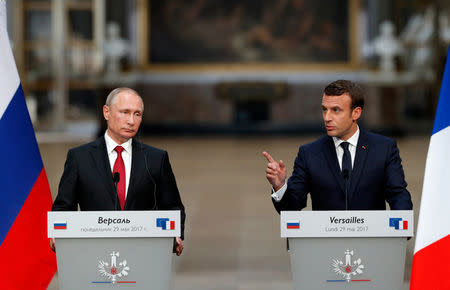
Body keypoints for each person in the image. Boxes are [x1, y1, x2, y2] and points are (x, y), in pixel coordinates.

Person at [51, 87, 186, 255]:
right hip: (93, 253)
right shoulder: (79, 158)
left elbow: (173, 206)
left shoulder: (155, 158)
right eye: (125, 112)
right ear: (106, 112)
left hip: (143, 253)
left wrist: (176, 235)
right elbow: (63, 207)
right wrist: (59, 234)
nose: (131, 121)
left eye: (137, 114)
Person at [263, 80, 413, 212]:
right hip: (326, 241)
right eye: (324, 110)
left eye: (336, 110)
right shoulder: (309, 154)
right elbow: (291, 207)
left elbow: (398, 195)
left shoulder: (384, 148)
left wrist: (400, 228)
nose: (327, 118)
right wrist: (280, 186)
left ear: (356, 113)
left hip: (370, 239)